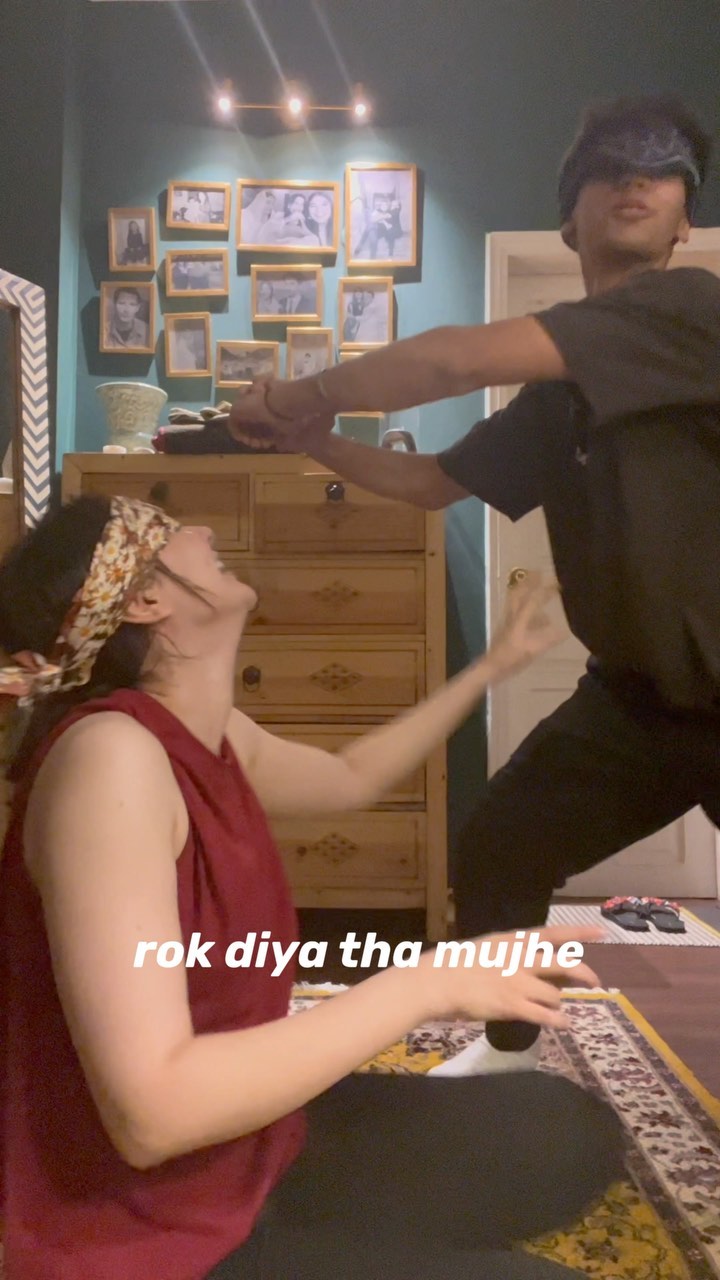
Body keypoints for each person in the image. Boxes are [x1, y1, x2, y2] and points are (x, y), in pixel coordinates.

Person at [0, 494, 625, 1279]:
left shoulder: (205, 732)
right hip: (139, 1229)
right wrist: (424, 983)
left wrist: (491, 668)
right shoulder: (109, 762)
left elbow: (349, 775)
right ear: (144, 599)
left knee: (566, 1132)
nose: (202, 528)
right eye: (167, 530)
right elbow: (151, 1114)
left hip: (244, 1149)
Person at [227, 93, 720, 1077]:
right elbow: (428, 482)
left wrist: (299, 393)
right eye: (607, 167)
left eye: (664, 171)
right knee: (500, 845)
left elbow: (452, 358)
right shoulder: (554, 400)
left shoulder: (692, 310)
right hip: (638, 703)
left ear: (683, 223)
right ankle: (508, 1058)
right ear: (569, 219)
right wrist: (314, 441)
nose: (635, 179)